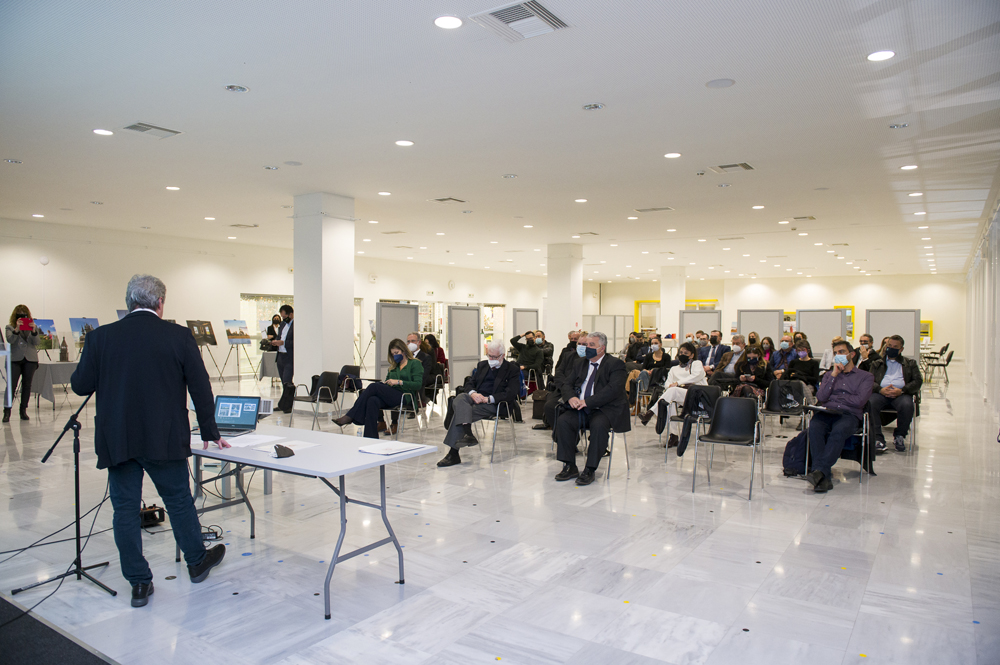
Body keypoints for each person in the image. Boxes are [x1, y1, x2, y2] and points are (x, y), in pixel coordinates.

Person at [70, 275, 227, 608]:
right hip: (163, 437)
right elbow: (200, 386)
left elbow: (81, 385)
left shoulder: (100, 337)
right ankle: (197, 561)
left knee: (125, 510)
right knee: (178, 500)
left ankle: (139, 583)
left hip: (118, 438)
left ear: (129, 302)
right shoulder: (179, 336)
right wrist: (210, 430)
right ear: (160, 303)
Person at [552, 332, 629, 486]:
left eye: (591, 345)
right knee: (564, 421)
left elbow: (613, 390)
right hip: (580, 408)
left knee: (599, 426)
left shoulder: (615, 364)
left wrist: (588, 402)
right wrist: (571, 398)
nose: (587, 348)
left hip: (604, 409)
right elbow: (567, 384)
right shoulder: (580, 363)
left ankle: (590, 469)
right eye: (586, 344)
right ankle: (569, 465)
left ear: (602, 348)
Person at [436, 340, 520, 467]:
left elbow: (511, 393)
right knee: (460, 397)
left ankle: (453, 453)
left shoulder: (512, 369)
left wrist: (489, 399)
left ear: (502, 355)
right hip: (477, 398)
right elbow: (470, 382)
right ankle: (468, 432)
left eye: (494, 357)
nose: (491, 359)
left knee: (462, 412)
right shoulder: (482, 365)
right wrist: (473, 393)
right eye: (489, 356)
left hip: (494, 404)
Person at [804, 339, 873, 492]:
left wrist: (836, 398)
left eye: (842, 352)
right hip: (828, 411)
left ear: (852, 354)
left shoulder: (865, 376)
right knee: (814, 427)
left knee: (838, 431)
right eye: (835, 353)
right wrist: (834, 374)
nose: (838, 355)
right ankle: (823, 475)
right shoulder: (829, 375)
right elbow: (821, 397)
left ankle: (819, 472)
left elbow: (860, 401)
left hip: (849, 414)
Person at [333, 339, 424, 437]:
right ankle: (370, 437)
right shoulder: (393, 366)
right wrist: (387, 383)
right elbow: (388, 381)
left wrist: (399, 382)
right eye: (393, 354)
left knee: (373, 386)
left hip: (405, 396)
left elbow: (418, 384)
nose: (395, 356)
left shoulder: (415, 363)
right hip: (392, 394)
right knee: (372, 400)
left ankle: (351, 415)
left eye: (396, 353)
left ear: (404, 351)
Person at [638, 342, 707, 447]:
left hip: (697, 396)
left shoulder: (697, 364)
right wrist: (672, 386)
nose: (682, 355)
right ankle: (673, 435)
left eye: (686, 353)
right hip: (680, 396)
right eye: (681, 352)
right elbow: (667, 384)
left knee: (672, 393)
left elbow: (696, 376)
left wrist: (677, 383)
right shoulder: (674, 369)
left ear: (692, 355)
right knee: (669, 402)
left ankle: (650, 413)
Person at [867, 335, 922, 451]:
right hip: (881, 393)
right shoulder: (877, 363)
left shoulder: (910, 363)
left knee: (907, 405)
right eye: (889, 346)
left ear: (901, 349)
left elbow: (918, 381)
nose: (891, 348)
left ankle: (899, 436)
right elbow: (869, 381)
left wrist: (902, 390)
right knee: (870, 403)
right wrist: (880, 389)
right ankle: (878, 438)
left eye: (895, 347)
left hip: (901, 394)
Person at [534, 330, 586, 431]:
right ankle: (559, 433)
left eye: (584, 344)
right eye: (579, 344)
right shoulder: (568, 355)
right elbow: (559, 372)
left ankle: (568, 433)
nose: (580, 346)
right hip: (564, 388)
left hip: (581, 391)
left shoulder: (592, 359)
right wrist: (565, 388)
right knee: (549, 406)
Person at [4, 305, 40, 422]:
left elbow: (37, 342)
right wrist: (17, 329)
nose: (22, 317)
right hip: (15, 359)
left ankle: (23, 410)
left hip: (30, 359)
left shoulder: (33, 327)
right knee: (11, 386)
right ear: (15, 316)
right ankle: (7, 411)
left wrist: (33, 331)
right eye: (19, 315)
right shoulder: (9, 327)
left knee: (27, 385)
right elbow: (10, 340)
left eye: (24, 315)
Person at [270, 304, 294, 413]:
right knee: (283, 381)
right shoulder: (283, 325)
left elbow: (296, 341)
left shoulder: (296, 325)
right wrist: (276, 342)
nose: (283, 319)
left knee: (287, 381)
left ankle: (288, 405)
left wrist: (283, 343)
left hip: (289, 357)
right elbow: (279, 336)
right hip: (280, 356)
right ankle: (283, 404)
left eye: (284, 316)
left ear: (291, 314)